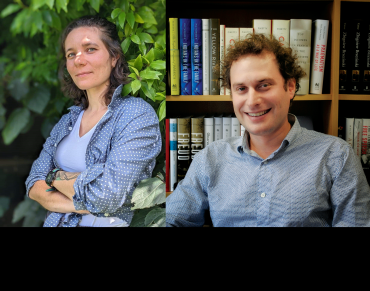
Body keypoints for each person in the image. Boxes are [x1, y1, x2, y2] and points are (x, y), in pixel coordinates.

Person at [166, 33, 370, 227]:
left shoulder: (336, 156)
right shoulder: (210, 159)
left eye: (264, 85)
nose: (252, 101)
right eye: (241, 89)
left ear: (290, 87)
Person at [25, 15, 161, 227]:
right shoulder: (67, 120)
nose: (78, 60)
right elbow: (34, 185)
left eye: (90, 49)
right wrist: (89, 184)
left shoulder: (135, 114)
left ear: (114, 56)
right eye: (71, 54)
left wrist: (53, 177)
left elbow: (108, 197)